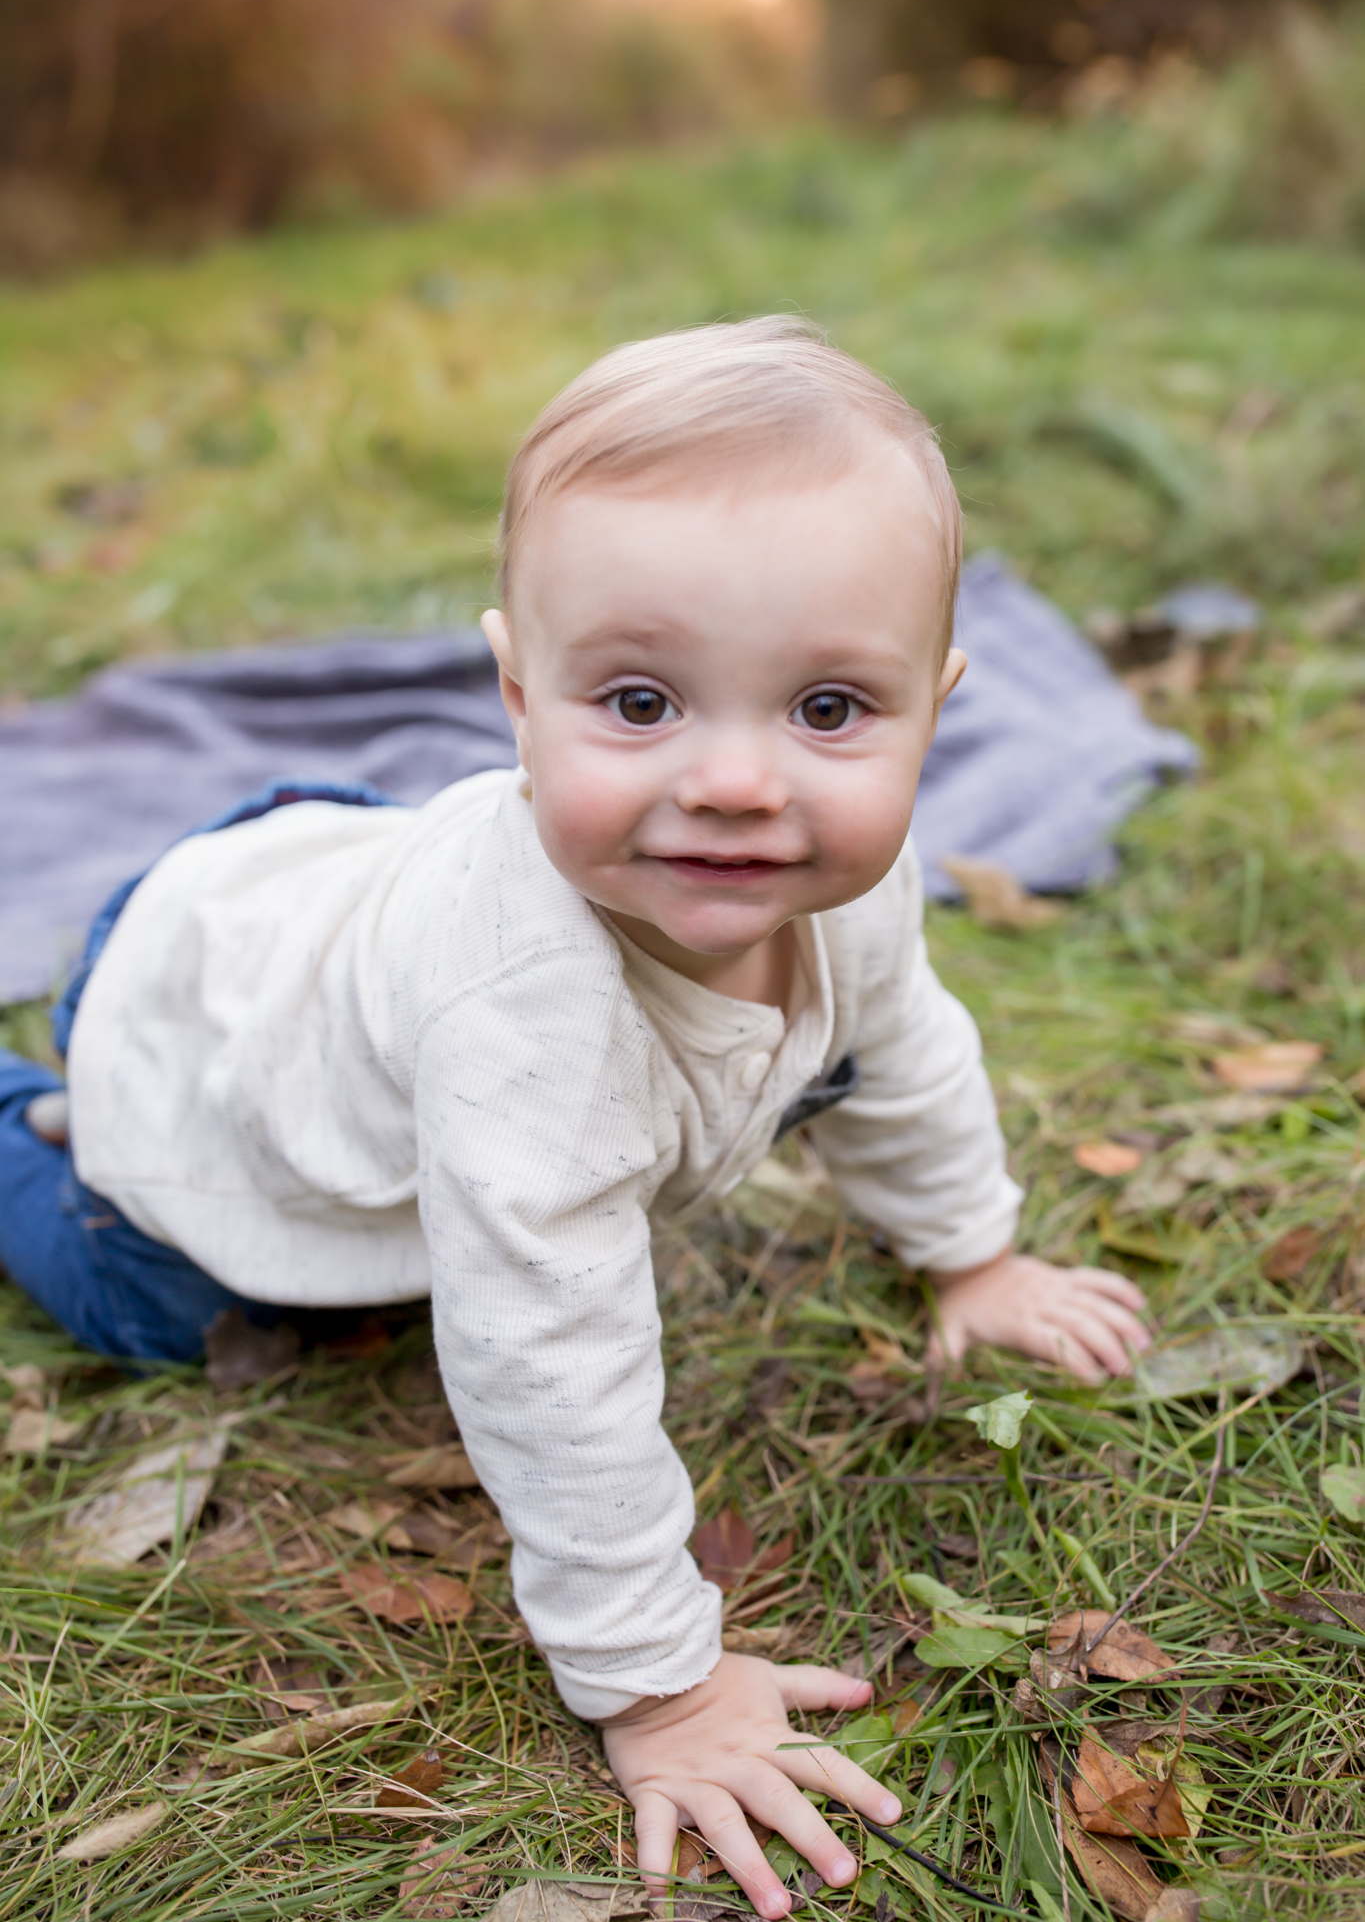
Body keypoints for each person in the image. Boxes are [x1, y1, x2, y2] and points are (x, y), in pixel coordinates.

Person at [0, 317, 1149, 1915]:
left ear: (935, 707)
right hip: (194, 1024)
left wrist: (975, 1259)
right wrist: (660, 1689)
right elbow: (542, 1356)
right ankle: (19, 1114)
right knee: (156, 1300)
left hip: (314, 890)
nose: (739, 782)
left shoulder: (837, 889)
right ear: (514, 691)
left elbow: (902, 1058)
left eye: (826, 710)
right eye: (636, 700)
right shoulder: (527, 1022)